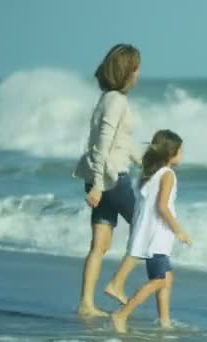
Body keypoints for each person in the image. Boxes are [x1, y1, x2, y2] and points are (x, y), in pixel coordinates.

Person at [73, 43, 142, 317]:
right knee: (146, 229)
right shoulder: (117, 101)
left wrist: (148, 162)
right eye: (136, 69)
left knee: (99, 245)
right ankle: (117, 284)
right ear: (126, 71)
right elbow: (102, 143)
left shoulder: (106, 98)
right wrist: (100, 186)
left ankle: (86, 304)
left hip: (100, 177)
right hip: (111, 179)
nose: (138, 75)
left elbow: (120, 143)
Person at [111, 129, 192, 333]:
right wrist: (179, 230)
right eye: (181, 151)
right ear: (170, 153)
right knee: (159, 281)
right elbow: (162, 207)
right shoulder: (168, 175)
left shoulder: (151, 174)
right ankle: (121, 314)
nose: (183, 155)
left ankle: (165, 321)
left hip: (151, 237)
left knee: (167, 278)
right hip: (157, 238)